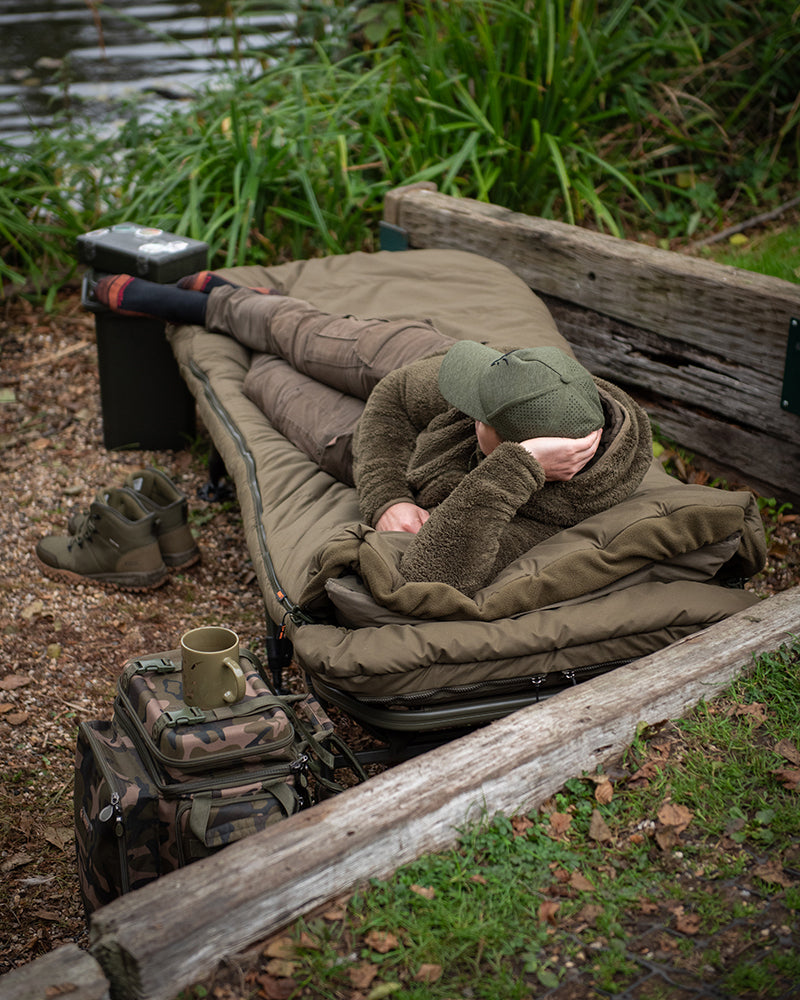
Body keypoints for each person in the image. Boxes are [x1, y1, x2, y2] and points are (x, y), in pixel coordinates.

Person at [93, 271, 654, 597]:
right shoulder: (547, 389)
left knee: (268, 379)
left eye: (477, 416)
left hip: (370, 443)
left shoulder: (544, 505)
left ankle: (228, 314)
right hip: (414, 361)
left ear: (520, 451)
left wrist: (511, 472)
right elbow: (391, 398)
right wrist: (385, 497)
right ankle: (216, 298)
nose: (468, 410)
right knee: (305, 337)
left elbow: (433, 573)